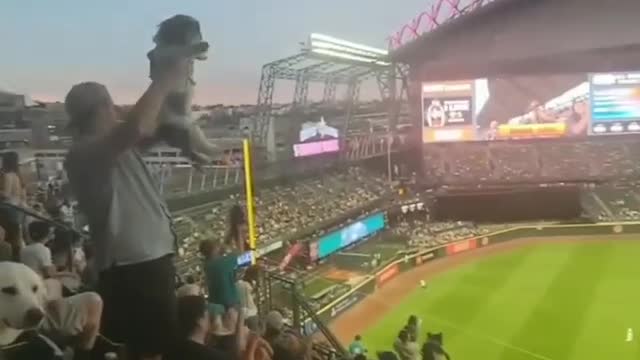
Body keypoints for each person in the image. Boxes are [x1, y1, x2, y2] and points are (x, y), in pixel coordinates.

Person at [63, 57, 190, 360]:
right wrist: (163, 79)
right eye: (111, 105)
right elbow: (135, 127)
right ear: (99, 111)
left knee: (145, 346)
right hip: (136, 266)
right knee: (151, 351)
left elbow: (152, 128)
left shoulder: (110, 146)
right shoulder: (83, 153)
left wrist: (178, 94)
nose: (116, 110)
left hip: (142, 263)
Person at [168, 295, 232, 360]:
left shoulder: (169, 351)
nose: (209, 315)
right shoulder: (216, 357)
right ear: (199, 320)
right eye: (206, 311)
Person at [0, 151, 27, 261]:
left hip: (7, 210)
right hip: (17, 211)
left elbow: (6, 194)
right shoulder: (18, 176)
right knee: (16, 238)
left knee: (6, 238)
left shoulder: (8, 175)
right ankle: (16, 260)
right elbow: (22, 197)